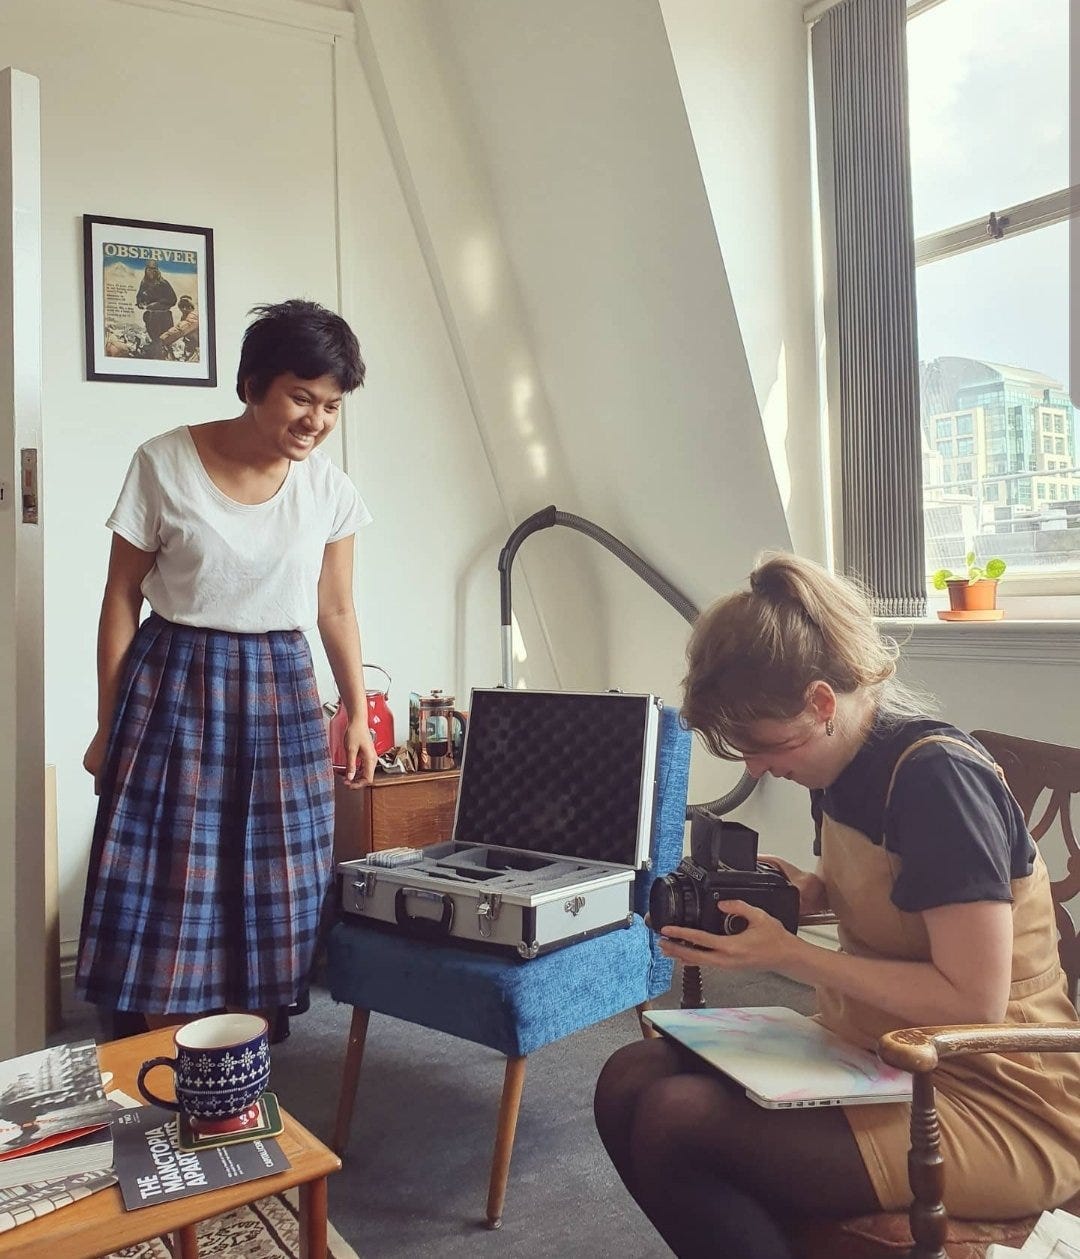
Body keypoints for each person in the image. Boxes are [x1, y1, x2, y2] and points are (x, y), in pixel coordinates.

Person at [593, 552, 1080, 1259]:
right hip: (881, 1049)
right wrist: (806, 893)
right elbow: (895, 895)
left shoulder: (938, 781)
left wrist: (790, 955)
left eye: (763, 745)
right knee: (626, 1079)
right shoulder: (839, 766)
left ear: (822, 703)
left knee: (678, 1122)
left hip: (994, 1090)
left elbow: (973, 999)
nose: (756, 767)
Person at [75, 299, 377, 1036]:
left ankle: (240, 1062)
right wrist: (109, 724)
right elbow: (120, 597)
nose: (316, 420)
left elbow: (336, 608)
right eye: (301, 397)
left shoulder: (330, 490)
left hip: (281, 689)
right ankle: (163, 1059)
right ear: (252, 384)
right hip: (175, 679)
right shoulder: (163, 462)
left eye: (332, 406)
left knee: (279, 876)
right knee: (170, 874)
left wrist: (356, 713)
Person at [135, 260, 177, 358]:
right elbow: (139, 296)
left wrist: (158, 303)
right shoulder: (144, 283)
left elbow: (173, 299)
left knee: (164, 342)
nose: (151, 272)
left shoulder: (163, 283)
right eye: (149, 269)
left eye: (153, 269)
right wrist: (140, 303)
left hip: (163, 317)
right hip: (151, 317)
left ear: (157, 270)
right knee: (155, 341)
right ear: (146, 270)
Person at [159, 293, 199, 361]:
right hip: (192, 346)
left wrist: (163, 339)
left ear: (190, 307)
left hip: (197, 348)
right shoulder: (186, 316)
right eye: (182, 306)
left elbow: (180, 330)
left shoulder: (193, 316)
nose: (184, 308)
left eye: (186, 306)